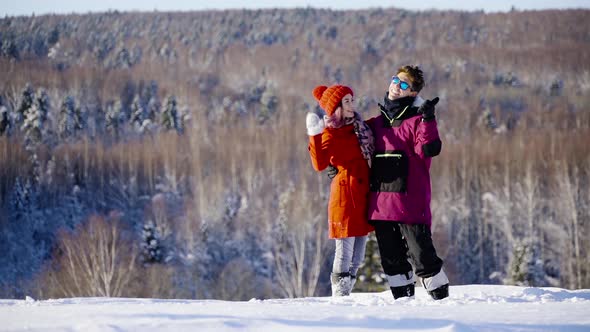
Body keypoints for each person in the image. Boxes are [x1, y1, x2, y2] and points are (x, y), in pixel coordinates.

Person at [365, 65, 449, 300]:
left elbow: (429, 148)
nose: (396, 86)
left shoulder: (417, 120)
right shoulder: (376, 124)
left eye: (403, 84)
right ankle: (404, 307)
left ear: (413, 93)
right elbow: (354, 148)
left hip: (410, 203)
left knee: (423, 257)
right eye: (395, 80)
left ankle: (442, 303)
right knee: (392, 261)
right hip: (381, 204)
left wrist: (428, 119)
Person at [305, 84, 374, 296]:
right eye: (346, 102)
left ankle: (346, 293)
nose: (352, 105)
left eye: (352, 100)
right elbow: (319, 164)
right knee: (344, 253)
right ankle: (340, 295)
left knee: (358, 256)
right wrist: (314, 134)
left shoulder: (360, 128)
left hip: (363, 197)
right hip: (344, 199)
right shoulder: (330, 133)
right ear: (336, 107)